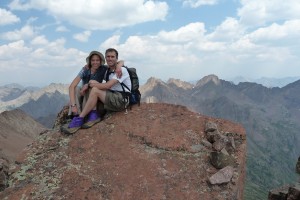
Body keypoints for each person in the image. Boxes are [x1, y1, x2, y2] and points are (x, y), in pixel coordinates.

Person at [62, 48, 131, 134]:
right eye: (108, 57)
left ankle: (80, 118)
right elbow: (72, 86)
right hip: (112, 95)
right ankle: (78, 114)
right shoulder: (106, 70)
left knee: (94, 88)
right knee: (88, 86)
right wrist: (73, 105)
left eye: (112, 57)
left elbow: (108, 85)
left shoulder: (119, 70)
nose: (110, 58)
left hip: (121, 99)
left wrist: (119, 65)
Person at [68, 50, 124, 116]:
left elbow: (121, 61)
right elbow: (72, 86)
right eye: (93, 60)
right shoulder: (85, 70)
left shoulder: (103, 68)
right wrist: (73, 105)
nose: (95, 62)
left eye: (97, 60)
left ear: (100, 62)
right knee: (76, 89)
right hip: (82, 92)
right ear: (90, 61)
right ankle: (76, 114)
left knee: (91, 88)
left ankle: (84, 114)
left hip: (91, 92)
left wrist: (118, 66)